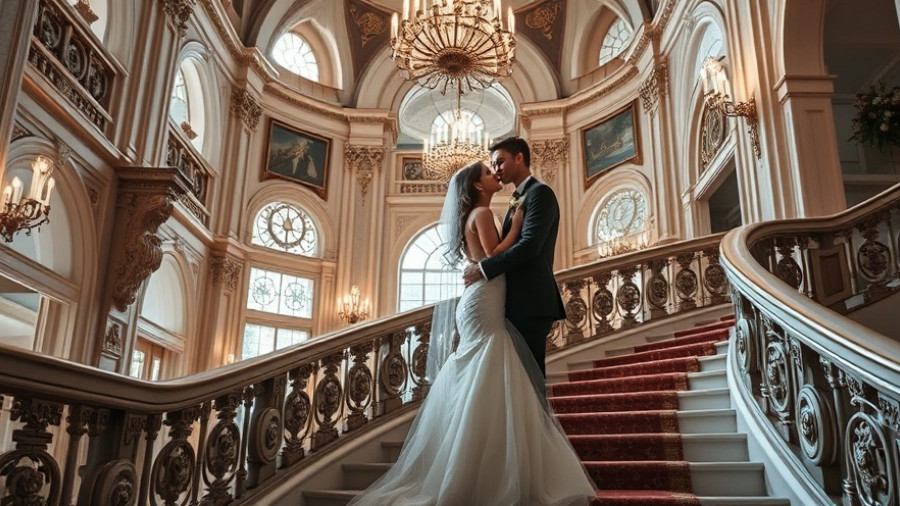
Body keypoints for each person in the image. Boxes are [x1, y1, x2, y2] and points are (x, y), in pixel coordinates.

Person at [347, 161, 595, 505]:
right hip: (485, 297)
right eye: (487, 172)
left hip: (483, 297)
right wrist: (519, 227)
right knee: (489, 360)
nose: (496, 174)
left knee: (485, 365)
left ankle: (479, 462)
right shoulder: (481, 213)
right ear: (478, 186)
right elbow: (493, 255)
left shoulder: (478, 213)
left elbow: (485, 258)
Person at [463, 137, 566, 381]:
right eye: (492, 165)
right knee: (516, 380)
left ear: (519, 158)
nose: (496, 170)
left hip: (531, 301)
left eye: (499, 162)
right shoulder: (516, 199)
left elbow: (530, 246)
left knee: (530, 380)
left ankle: (535, 422)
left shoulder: (540, 194)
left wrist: (484, 268)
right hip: (512, 302)